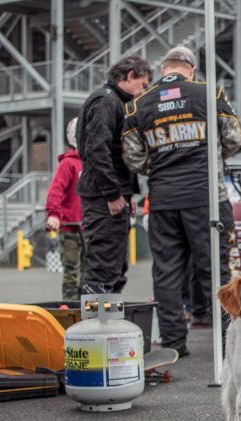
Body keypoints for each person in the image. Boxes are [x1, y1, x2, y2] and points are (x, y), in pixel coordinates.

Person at [122, 46, 241, 357]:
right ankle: (227, 344)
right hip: (207, 198)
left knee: (166, 272)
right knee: (215, 270)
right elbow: (234, 139)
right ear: (190, 68)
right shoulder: (209, 93)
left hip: (162, 200)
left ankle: (174, 343)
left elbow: (133, 157)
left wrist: (160, 165)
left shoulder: (138, 105)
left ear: (165, 68)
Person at [76, 55, 152, 295]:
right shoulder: (107, 102)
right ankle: (92, 324)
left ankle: (105, 322)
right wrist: (112, 194)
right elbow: (97, 150)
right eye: (143, 85)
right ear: (129, 76)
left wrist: (127, 193)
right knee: (103, 267)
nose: (143, 92)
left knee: (115, 266)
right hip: (103, 197)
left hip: (110, 194)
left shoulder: (113, 102)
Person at [45, 117, 83, 301]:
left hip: (91, 229)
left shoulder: (96, 162)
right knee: (71, 273)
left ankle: (88, 315)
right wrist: (54, 214)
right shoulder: (69, 164)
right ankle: (71, 313)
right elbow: (56, 190)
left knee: (91, 275)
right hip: (71, 229)